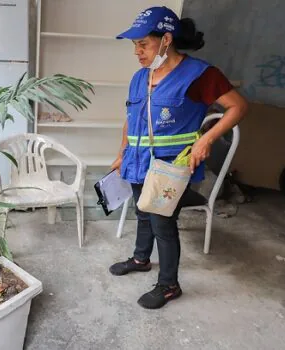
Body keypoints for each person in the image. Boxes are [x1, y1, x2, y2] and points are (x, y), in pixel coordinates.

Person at [109, 6, 248, 309]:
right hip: (137, 161)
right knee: (142, 211)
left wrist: (207, 139)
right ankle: (141, 258)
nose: (137, 51)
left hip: (170, 166)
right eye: (134, 45)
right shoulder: (140, 77)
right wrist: (121, 154)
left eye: (142, 44)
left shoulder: (200, 74)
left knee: (162, 221)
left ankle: (169, 285)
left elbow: (238, 106)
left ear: (166, 39)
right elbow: (131, 119)